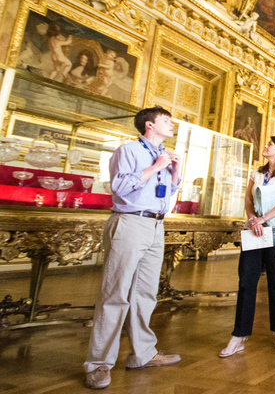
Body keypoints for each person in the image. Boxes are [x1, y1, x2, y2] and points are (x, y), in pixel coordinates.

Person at [84, 106, 182, 390]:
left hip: (156, 225)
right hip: (130, 222)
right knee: (115, 293)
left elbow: (167, 192)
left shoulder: (164, 154)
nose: (171, 124)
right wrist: (156, 167)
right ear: (150, 125)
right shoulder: (128, 151)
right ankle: (98, 363)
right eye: (166, 121)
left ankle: (143, 353)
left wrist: (174, 173)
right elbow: (121, 187)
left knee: (146, 293)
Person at [220, 136, 275, 357]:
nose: (265, 147)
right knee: (246, 280)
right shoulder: (257, 172)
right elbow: (247, 198)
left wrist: (264, 219)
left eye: (270, 145)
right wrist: (253, 218)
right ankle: (239, 334)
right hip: (254, 232)